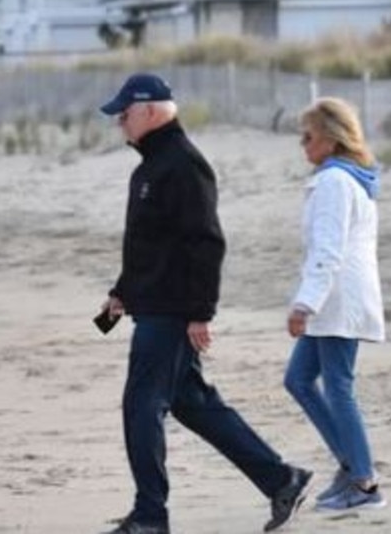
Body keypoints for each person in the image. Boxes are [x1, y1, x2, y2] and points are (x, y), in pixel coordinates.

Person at [95, 73, 311, 534]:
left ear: (151, 110)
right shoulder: (150, 168)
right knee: (193, 405)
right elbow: (149, 246)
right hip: (152, 305)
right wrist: (121, 293)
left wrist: (200, 312)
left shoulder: (183, 165)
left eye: (125, 114)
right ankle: (282, 479)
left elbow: (206, 243)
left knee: (140, 406)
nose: (120, 124)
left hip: (171, 313)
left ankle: (151, 517)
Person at [283, 97, 386, 512]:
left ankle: (364, 483)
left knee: (338, 387)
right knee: (299, 379)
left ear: (329, 139)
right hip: (337, 300)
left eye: (307, 136)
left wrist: (304, 304)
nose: (302, 144)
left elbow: (329, 251)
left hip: (337, 301)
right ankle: (351, 466)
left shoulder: (335, 182)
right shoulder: (345, 178)